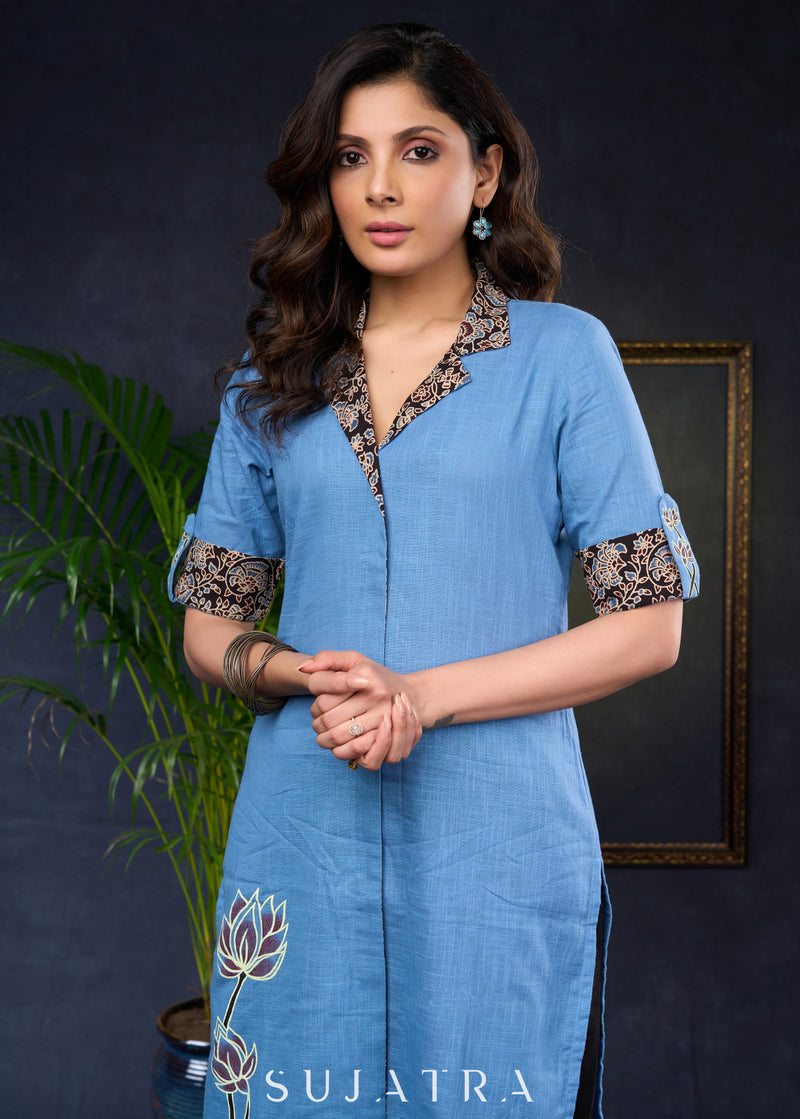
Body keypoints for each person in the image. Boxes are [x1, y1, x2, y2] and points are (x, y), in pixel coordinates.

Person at [169, 22, 698, 1119]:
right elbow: (208, 626)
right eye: (350, 156)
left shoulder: (562, 357)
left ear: (485, 172)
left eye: (418, 151)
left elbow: (649, 626)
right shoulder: (271, 380)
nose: (380, 187)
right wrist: (297, 672)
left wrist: (420, 694)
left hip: (493, 836)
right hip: (303, 822)